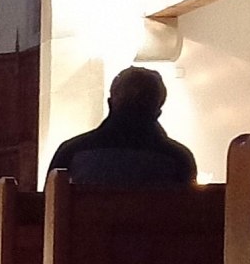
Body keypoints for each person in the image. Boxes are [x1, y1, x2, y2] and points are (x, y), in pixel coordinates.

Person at [48, 66, 197, 186]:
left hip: (90, 225)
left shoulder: (71, 152)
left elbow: (44, 212)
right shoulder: (179, 158)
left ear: (110, 103)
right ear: (158, 111)